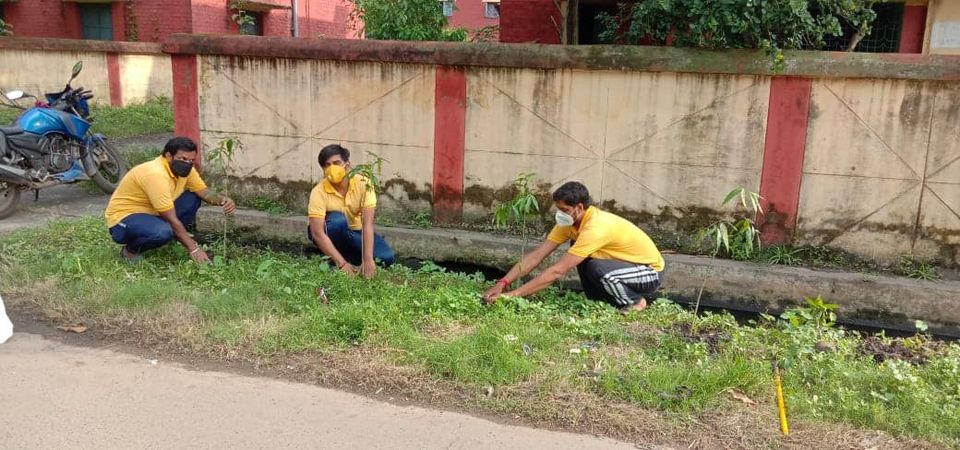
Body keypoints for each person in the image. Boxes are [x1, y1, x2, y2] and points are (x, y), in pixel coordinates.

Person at [483, 181, 664, 312]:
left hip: (649, 272)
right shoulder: (569, 223)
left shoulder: (596, 227)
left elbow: (557, 271)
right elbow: (538, 255)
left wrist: (512, 296)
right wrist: (503, 283)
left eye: (564, 210)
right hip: (623, 265)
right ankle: (599, 301)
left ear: (579, 207)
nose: (560, 214)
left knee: (598, 268)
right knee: (582, 254)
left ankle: (635, 302)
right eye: (558, 209)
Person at [105, 137, 236, 263]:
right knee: (163, 232)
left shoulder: (186, 170)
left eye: (191, 160)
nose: (188, 163)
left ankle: (170, 238)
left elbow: (203, 192)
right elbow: (171, 218)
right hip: (123, 219)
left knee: (193, 197)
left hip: (153, 214)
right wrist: (194, 249)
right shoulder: (155, 174)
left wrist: (223, 200)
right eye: (183, 159)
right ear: (168, 156)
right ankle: (130, 251)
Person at [307, 144, 396, 278]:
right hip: (329, 231)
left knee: (387, 258)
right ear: (323, 169)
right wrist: (342, 264)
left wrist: (367, 260)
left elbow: (367, 224)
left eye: (337, 163)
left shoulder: (364, 183)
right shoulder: (318, 192)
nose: (332, 168)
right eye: (327, 165)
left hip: (355, 231)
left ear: (347, 165)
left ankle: (347, 257)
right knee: (337, 221)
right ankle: (336, 259)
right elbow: (317, 233)